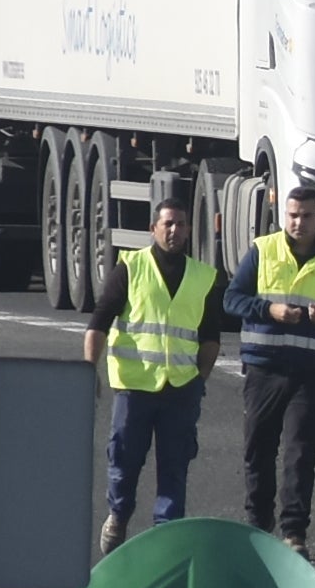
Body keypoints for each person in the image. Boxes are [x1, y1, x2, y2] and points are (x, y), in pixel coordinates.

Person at [82, 195, 223, 554]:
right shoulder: (130, 269)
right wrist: (89, 369)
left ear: (190, 230)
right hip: (135, 387)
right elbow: (98, 323)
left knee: (175, 467)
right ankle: (119, 514)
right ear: (153, 229)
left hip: (180, 389)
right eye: (168, 224)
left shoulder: (203, 277)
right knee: (124, 461)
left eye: (180, 224)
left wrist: (199, 380)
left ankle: (166, 539)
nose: (174, 231)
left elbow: (210, 338)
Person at [229, 183, 315, 556]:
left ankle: (294, 532)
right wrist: (269, 311)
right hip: (263, 369)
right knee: (258, 448)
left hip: (307, 374)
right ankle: (257, 522)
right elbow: (232, 298)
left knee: (301, 451)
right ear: (283, 216)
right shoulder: (263, 251)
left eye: (306, 216)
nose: (298, 222)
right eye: (292, 215)